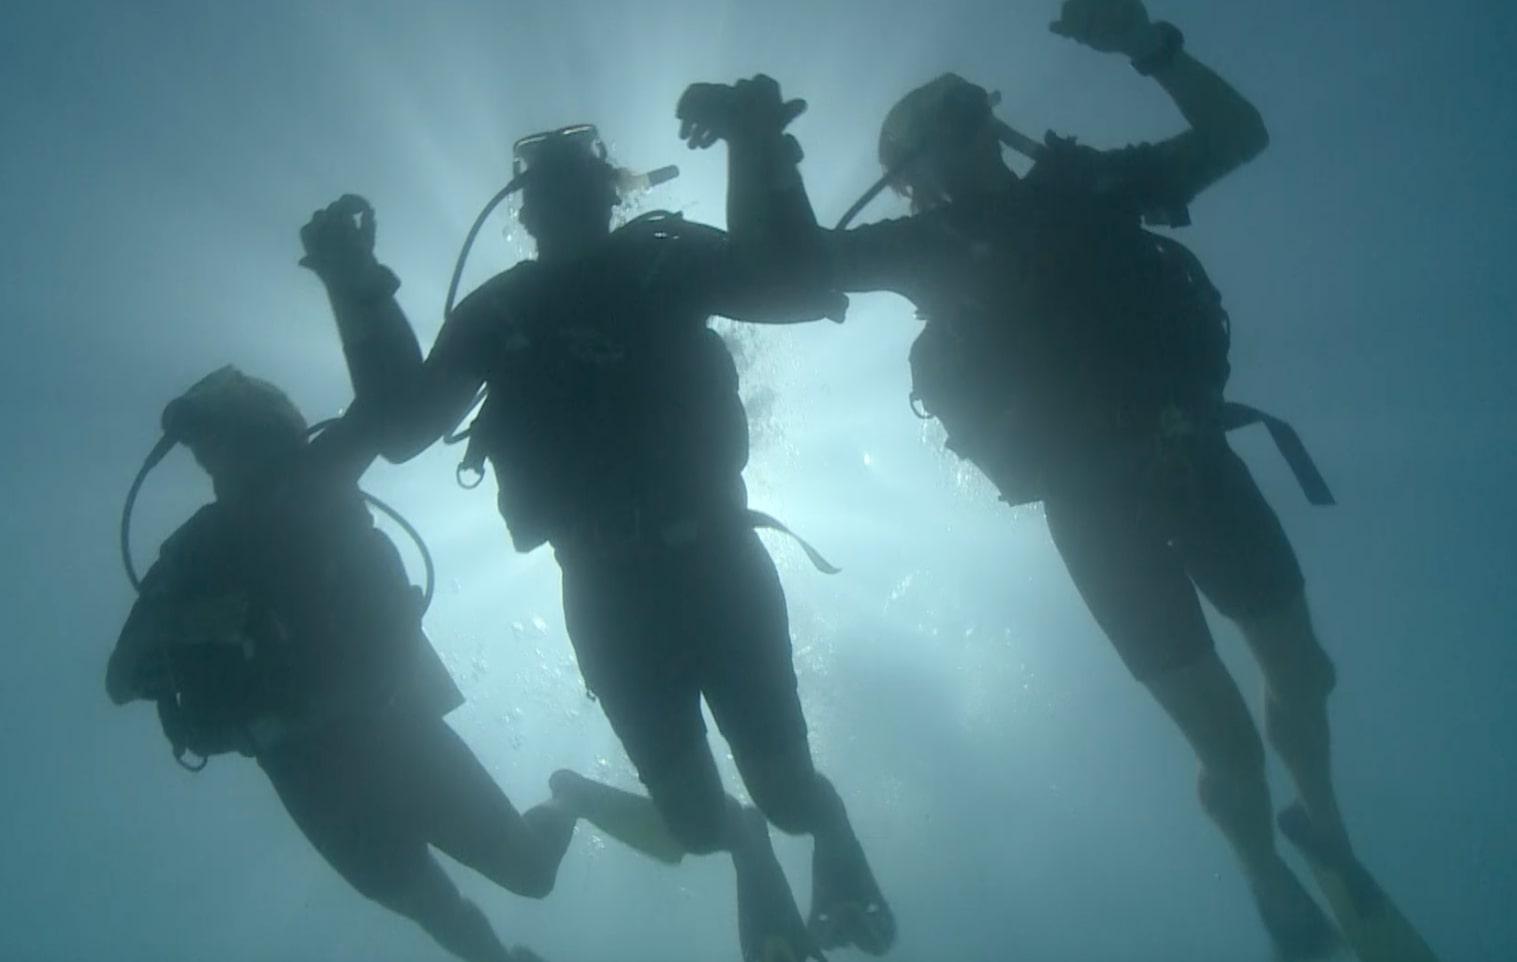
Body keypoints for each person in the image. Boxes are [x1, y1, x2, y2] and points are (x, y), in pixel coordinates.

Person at [689, 2, 1426, 960]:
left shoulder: (1087, 185)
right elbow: (783, 274)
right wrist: (758, 150)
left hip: (1197, 459)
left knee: (1303, 671)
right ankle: (1262, 873)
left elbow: (1236, 136)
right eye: (939, 129)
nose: (965, 136)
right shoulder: (920, 251)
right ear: (906, 179)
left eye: (969, 113)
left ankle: (1322, 827)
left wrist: (1150, 47)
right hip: (1094, 514)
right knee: (1226, 744)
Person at [298, 80, 892, 962]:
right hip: (607, 593)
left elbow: (795, 286)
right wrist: (357, 289)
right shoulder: (501, 311)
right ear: (527, 210)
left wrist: (756, 144)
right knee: (697, 825)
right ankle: (747, 846)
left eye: (577, 180)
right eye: (549, 185)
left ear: (610, 192)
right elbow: (404, 428)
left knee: (788, 794)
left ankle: (825, 828)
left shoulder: (663, 259)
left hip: (714, 563)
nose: (562, 198)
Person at [107, 366, 572, 962]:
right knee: (433, 908)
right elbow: (118, 680)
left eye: (225, 434)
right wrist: (182, 623)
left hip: (392, 727)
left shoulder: (319, 479)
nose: (215, 456)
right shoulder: (190, 552)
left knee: (529, 873)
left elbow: (379, 413)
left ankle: (569, 797)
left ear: (267, 429)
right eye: (206, 445)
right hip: (303, 772)